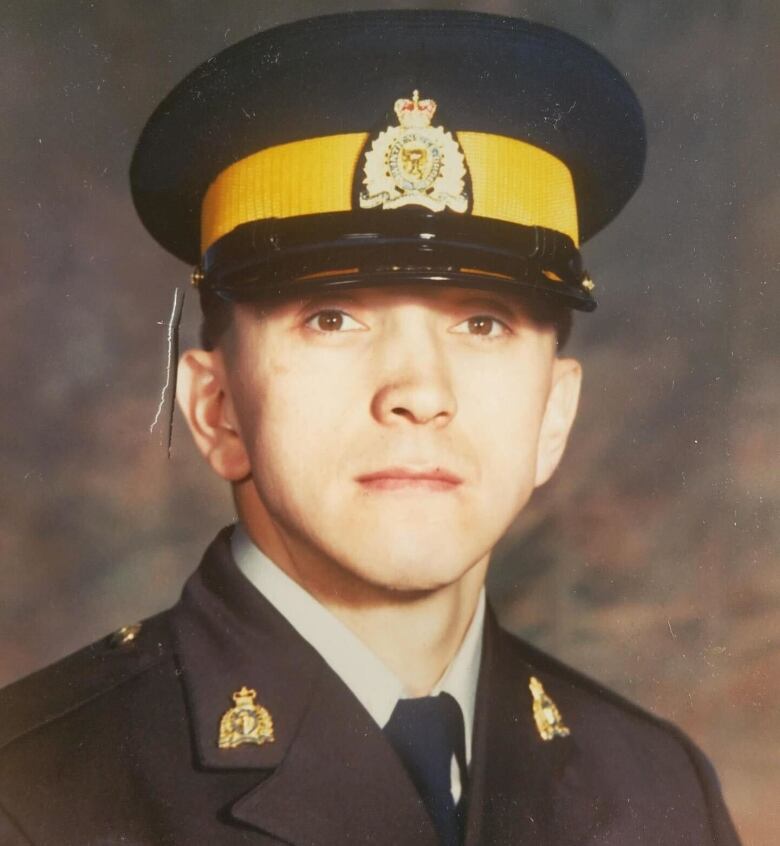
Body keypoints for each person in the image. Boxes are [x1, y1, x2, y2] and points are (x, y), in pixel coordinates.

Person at [0, 10, 741, 845]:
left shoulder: (658, 789)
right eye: (331, 318)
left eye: (484, 324)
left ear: (554, 415)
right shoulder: (34, 794)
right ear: (216, 409)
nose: (420, 392)